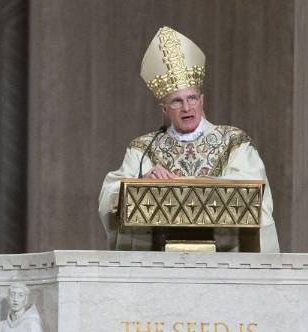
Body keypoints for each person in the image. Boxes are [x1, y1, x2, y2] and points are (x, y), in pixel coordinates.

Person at [98, 26, 280, 253]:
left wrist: (192, 185)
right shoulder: (144, 148)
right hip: (158, 261)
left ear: (202, 101)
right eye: (176, 101)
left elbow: (254, 195)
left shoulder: (234, 142)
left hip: (223, 259)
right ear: (164, 109)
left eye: (192, 98)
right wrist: (143, 182)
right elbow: (110, 196)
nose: (186, 107)